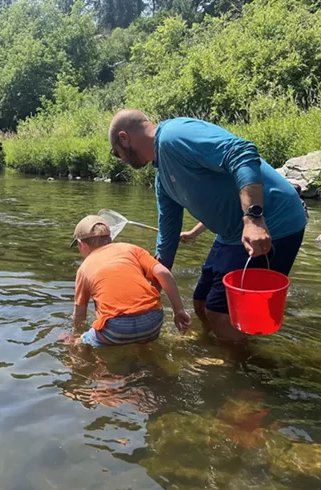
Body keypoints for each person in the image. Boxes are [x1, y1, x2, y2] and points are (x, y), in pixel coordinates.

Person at [108, 110, 307, 343]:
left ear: (124, 138)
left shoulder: (174, 135)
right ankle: (213, 347)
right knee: (201, 302)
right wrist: (150, 288)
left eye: (116, 153)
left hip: (274, 222)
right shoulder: (162, 177)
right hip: (230, 234)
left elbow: (242, 153)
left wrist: (253, 219)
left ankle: (240, 369)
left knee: (220, 313)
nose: (120, 158)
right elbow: (168, 236)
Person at [72, 215, 191, 347]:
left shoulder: (84, 268)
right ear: (110, 238)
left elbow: (79, 315)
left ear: (82, 245)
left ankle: (78, 365)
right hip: (152, 321)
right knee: (142, 343)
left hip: (116, 329)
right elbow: (163, 273)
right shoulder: (131, 248)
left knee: (78, 343)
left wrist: (76, 334)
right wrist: (179, 310)